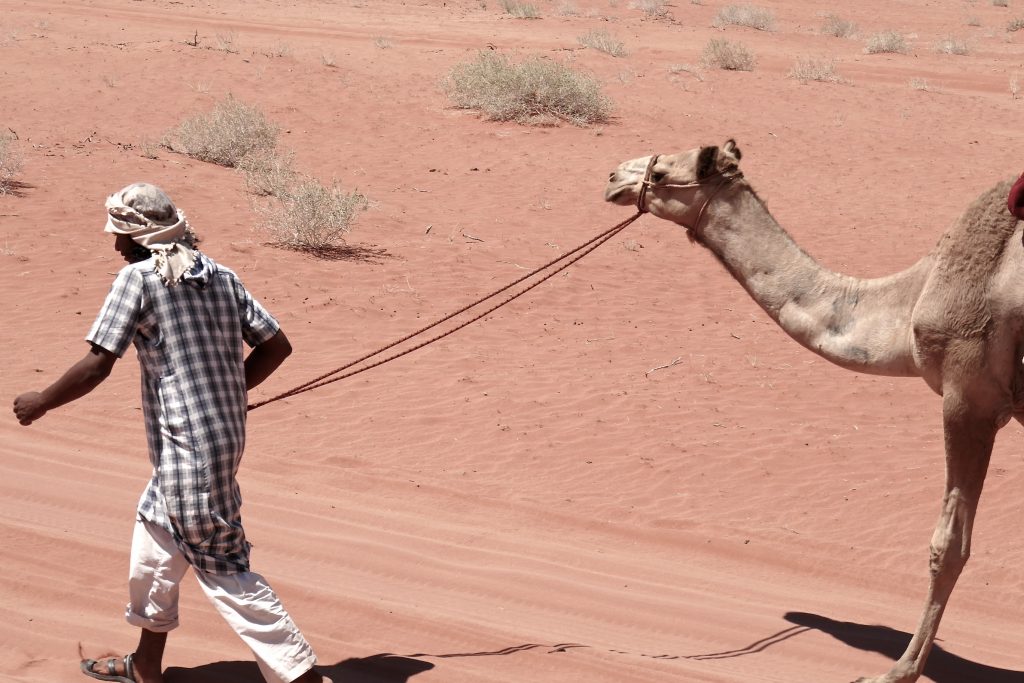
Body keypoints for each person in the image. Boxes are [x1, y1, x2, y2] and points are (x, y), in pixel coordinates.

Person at [13, 183, 328, 683]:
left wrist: (41, 402)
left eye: (119, 234)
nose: (115, 244)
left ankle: (300, 675)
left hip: (189, 450)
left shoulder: (138, 279)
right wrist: (227, 393)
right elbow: (276, 346)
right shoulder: (222, 276)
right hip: (218, 439)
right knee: (155, 545)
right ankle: (145, 665)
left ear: (139, 236)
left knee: (223, 563)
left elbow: (98, 364)